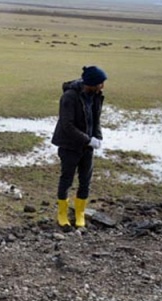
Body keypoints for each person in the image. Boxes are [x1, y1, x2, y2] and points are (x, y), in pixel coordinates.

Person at [51, 65, 107, 228]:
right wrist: (87, 140)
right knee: (66, 179)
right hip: (69, 146)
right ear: (90, 83)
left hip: (87, 147)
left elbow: (96, 119)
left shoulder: (96, 95)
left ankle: (80, 213)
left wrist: (97, 137)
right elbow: (66, 125)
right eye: (100, 83)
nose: (102, 86)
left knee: (85, 180)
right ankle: (62, 213)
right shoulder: (69, 97)